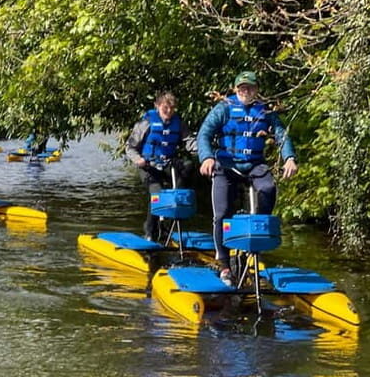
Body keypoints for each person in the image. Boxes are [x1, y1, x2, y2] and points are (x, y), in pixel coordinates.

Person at [198, 71, 298, 286]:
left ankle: (254, 235)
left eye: (250, 87)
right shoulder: (224, 108)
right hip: (226, 166)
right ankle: (224, 264)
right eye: (242, 87)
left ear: (256, 90)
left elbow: (281, 134)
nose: (246, 91)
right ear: (236, 89)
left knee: (268, 188)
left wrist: (289, 157)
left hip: (254, 165)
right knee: (222, 213)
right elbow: (204, 133)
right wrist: (206, 157)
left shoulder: (265, 110)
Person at [125, 91, 197, 242]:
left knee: (188, 166)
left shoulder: (178, 123)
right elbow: (130, 147)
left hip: (167, 164)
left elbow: (190, 142)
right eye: (165, 108)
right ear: (157, 106)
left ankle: (173, 207)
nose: (169, 112)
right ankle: (150, 232)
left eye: (172, 108)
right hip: (148, 166)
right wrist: (138, 159)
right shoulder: (146, 123)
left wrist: (205, 153)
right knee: (157, 194)